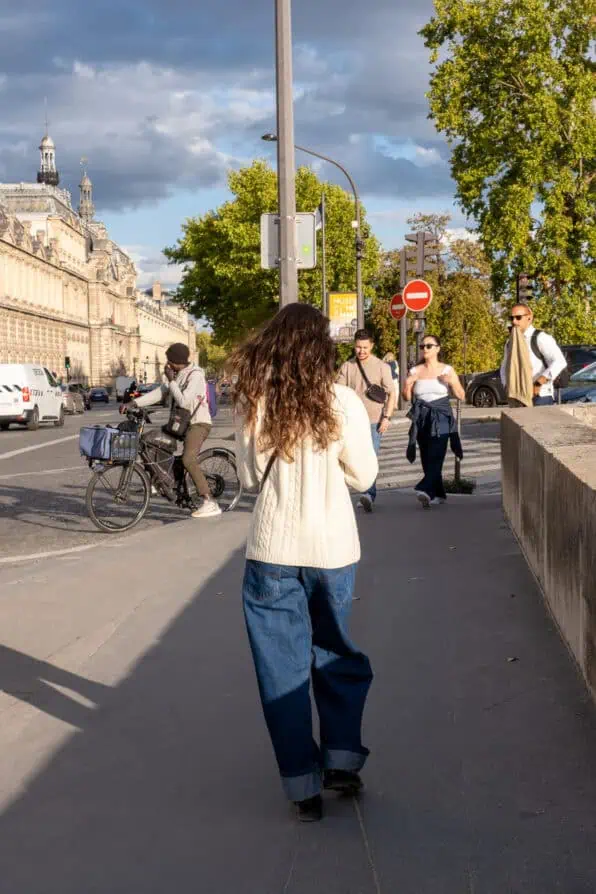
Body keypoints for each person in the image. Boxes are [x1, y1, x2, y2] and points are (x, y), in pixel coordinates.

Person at [233, 304, 378, 823]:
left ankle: (302, 787)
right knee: (335, 653)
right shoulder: (343, 402)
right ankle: (341, 759)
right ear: (322, 348)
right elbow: (363, 477)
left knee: (280, 669)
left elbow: (249, 479)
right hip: (332, 550)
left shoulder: (257, 402)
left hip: (271, 551)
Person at [123, 342, 220, 518]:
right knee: (148, 440)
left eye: (169, 361)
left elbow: (184, 401)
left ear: (176, 361)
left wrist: (172, 380)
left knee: (188, 459)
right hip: (179, 423)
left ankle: (209, 501)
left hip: (198, 424)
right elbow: (159, 393)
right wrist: (134, 403)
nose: (167, 364)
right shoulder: (177, 375)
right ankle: (160, 481)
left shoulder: (195, 375)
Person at [402, 335, 465, 509]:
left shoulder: (447, 370)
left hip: (441, 416)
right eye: (422, 346)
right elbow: (406, 398)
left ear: (438, 348)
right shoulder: (415, 371)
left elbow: (461, 395)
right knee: (426, 456)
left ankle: (425, 489)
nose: (425, 349)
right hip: (422, 417)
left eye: (429, 346)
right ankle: (439, 494)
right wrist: (407, 384)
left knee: (437, 454)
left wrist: (451, 382)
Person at [337, 330, 395, 512]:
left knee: (371, 457)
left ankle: (369, 494)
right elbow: (339, 391)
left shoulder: (381, 367)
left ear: (372, 346)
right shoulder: (347, 366)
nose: (361, 351)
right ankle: (344, 495)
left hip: (373, 421)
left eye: (365, 347)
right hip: (351, 421)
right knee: (346, 458)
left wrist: (387, 417)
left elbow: (391, 393)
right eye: (358, 347)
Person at [500, 304, 567, 406]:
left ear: (529, 318)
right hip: (517, 398)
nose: (514, 321)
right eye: (511, 318)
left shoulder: (540, 338)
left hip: (540, 397)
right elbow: (504, 368)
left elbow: (560, 361)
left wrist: (538, 383)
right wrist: (506, 386)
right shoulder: (510, 342)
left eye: (518, 317)